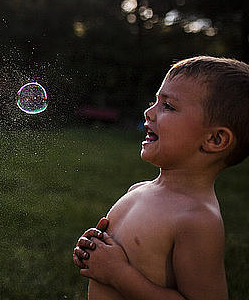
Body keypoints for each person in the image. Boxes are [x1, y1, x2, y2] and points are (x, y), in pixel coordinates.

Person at [72, 56, 249, 299]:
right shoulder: (138, 190)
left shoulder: (197, 219)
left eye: (168, 106)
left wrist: (118, 273)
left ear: (214, 140)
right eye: (155, 101)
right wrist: (93, 251)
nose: (149, 112)